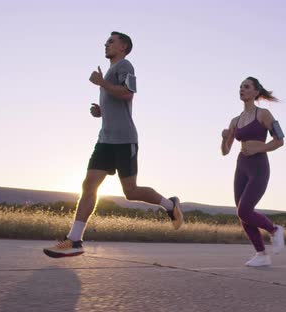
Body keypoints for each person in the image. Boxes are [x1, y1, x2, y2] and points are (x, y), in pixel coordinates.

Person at [44, 31, 183, 258]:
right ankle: (74, 240)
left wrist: (102, 83)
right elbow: (116, 101)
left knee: (131, 191)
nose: (106, 44)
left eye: (111, 41)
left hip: (124, 139)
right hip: (105, 140)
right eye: (106, 41)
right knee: (88, 186)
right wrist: (101, 111)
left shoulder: (126, 66)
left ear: (123, 47)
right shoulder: (109, 72)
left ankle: (170, 205)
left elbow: (128, 94)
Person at [220, 77, 286, 267]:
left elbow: (279, 140)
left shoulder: (264, 114)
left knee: (244, 209)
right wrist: (224, 138)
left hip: (258, 166)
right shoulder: (235, 120)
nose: (242, 89)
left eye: (246, 87)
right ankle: (262, 254)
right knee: (242, 213)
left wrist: (259, 149)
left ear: (256, 92)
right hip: (241, 166)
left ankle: (274, 230)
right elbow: (225, 151)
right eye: (240, 86)